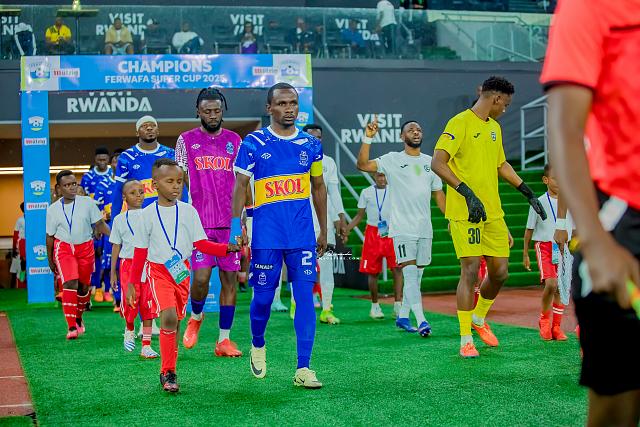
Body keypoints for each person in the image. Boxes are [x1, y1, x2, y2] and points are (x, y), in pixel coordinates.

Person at [542, 1, 640, 423]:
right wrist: (597, 243)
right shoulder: (589, 7)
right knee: (619, 398)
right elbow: (565, 130)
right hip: (624, 222)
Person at [431, 76, 547, 358]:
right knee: (470, 271)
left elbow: (501, 164)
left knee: (500, 273)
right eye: (505, 104)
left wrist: (527, 191)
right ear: (495, 99)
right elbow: (437, 162)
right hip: (466, 212)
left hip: (492, 213)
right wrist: (467, 193)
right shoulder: (459, 123)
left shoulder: (494, 128)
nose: (505, 109)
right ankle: (465, 339)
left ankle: (478, 318)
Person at [232, 82, 327, 388]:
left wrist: (323, 228)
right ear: (269, 108)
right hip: (267, 235)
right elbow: (240, 187)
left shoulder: (310, 144)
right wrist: (236, 227)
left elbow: (318, 187)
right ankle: (258, 343)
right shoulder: (254, 142)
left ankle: (304, 368)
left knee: (304, 297)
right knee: (262, 298)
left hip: (301, 234)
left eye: (293, 103)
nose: (289, 109)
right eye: (282, 103)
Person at [128, 159, 239, 393]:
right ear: (155, 184)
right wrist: (133, 284)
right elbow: (139, 253)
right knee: (168, 317)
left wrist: (225, 248)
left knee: (176, 322)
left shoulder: (189, 211)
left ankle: (170, 367)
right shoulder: (146, 215)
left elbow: (201, 243)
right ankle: (167, 372)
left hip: (181, 272)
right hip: (158, 272)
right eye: (170, 181)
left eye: (179, 181)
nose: (176, 186)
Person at [357, 118, 446, 337]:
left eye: (419, 129)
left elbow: (439, 194)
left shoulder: (431, 162)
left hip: (424, 228)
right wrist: (368, 137)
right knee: (410, 274)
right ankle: (422, 320)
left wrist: (451, 219)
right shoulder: (392, 159)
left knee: (417, 276)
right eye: (411, 129)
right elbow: (363, 165)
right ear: (401, 136)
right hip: (402, 229)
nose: (416, 132)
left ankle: (403, 316)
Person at [177, 88, 244, 357]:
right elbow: (179, 180)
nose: (213, 115)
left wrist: (243, 222)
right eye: (207, 111)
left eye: (217, 110)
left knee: (229, 280)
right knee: (201, 279)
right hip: (200, 223)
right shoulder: (185, 140)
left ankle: (223, 340)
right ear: (198, 111)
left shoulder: (235, 140)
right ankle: (196, 316)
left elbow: (243, 183)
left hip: (229, 223)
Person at [46, 170, 110, 340]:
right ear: (59, 188)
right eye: (67, 185)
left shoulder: (87, 203)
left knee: (83, 287)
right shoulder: (52, 209)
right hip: (64, 248)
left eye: (74, 184)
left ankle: (78, 317)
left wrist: (115, 237)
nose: (72, 187)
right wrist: (50, 259)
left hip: (85, 248)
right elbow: (50, 236)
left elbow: (100, 224)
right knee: (70, 283)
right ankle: (71, 326)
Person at [302, 123, 347, 324]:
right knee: (301, 267)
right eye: (311, 136)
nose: (315, 140)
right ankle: (297, 305)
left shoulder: (328, 162)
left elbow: (333, 192)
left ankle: (327, 309)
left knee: (327, 267)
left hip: (324, 223)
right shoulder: (294, 160)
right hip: (301, 223)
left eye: (318, 137)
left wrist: (340, 217)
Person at [110, 179, 159, 358]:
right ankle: (129, 328)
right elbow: (116, 245)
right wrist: (112, 272)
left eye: (141, 192)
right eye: (133, 193)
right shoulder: (119, 219)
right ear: (124, 197)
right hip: (128, 265)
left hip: (148, 263)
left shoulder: (151, 215)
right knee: (131, 301)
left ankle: (146, 345)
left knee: (148, 303)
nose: (138, 195)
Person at [523, 164, 572, 341]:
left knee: (561, 288)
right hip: (544, 246)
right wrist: (525, 253)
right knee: (551, 284)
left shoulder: (569, 201)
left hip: (563, 248)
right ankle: (544, 319)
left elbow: (573, 227)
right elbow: (529, 229)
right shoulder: (539, 202)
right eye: (555, 178)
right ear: (545, 180)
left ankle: (556, 326)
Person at [347, 172, 403, 319]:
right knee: (373, 272)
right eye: (379, 176)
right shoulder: (366, 192)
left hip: (391, 231)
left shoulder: (395, 190)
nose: (382, 179)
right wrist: (347, 229)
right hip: (373, 233)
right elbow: (359, 215)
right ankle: (375, 306)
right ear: (374, 176)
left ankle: (398, 305)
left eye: (384, 176)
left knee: (397, 268)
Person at [111, 115, 187, 222]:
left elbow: (181, 185)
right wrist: (113, 220)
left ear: (158, 131)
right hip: (140, 217)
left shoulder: (170, 153)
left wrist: (183, 211)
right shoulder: (126, 157)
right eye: (144, 126)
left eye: (153, 125)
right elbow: (118, 190)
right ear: (137, 133)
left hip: (168, 214)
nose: (149, 128)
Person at [81, 147, 112, 303]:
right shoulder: (87, 177)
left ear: (108, 160)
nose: (102, 162)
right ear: (95, 160)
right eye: (99, 159)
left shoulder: (112, 174)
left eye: (104, 159)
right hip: (92, 223)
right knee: (95, 254)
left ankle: (107, 289)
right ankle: (96, 287)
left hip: (109, 221)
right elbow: (83, 198)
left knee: (108, 255)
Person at [95, 149, 123, 309]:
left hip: (129, 228)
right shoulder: (103, 184)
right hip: (110, 228)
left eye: (121, 161)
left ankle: (125, 297)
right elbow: (97, 208)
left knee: (127, 263)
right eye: (115, 161)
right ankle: (117, 299)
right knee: (113, 264)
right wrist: (101, 221)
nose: (118, 164)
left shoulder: (130, 182)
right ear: (111, 163)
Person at [11, 203, 26, 288]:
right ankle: (20, 283)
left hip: (31, 243)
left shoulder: (34, 219)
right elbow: (15, 234)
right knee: (21, 263)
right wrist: (14, 248)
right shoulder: (20, 220)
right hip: (21, 243)